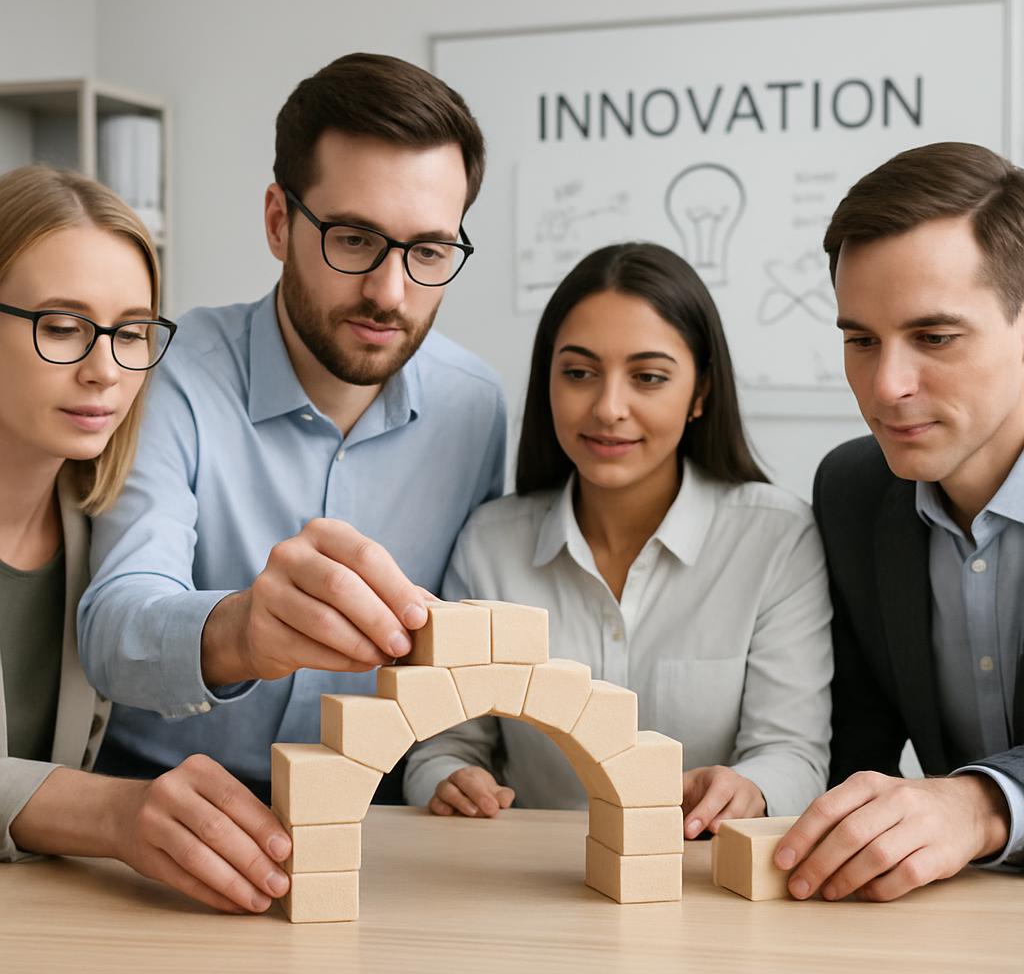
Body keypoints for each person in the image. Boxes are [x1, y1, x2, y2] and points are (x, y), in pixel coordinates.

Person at [77, 53, 505, 804]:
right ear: (280, 222)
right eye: (353, 239)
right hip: (164, 797)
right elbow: (115, 627)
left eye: (430, 251)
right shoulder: (171, 372)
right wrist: (242, 631)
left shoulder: (477, 406)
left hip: (381, 816)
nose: (390, 292)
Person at [404, 243, 833, 835]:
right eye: (578, 373)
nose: (608, 408)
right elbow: (443, 746)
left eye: (648, 378)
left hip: (703, 881)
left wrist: (750, 789)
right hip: (526, 889)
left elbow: (794, 754)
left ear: (701, 392)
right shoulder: (489, 544)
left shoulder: (776, 539)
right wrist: (450, 779)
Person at [0, 164, 293, 915]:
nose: (105, 370)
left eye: (130, 332)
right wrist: (113, 815)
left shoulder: (95, 512)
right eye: (61, 327)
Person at [774, 142, 1024, 903]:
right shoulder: (852, 490)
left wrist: (981, 803)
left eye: (934, 338)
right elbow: (857, 746)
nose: (886, 387)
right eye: (860, 340)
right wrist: (759, 797)